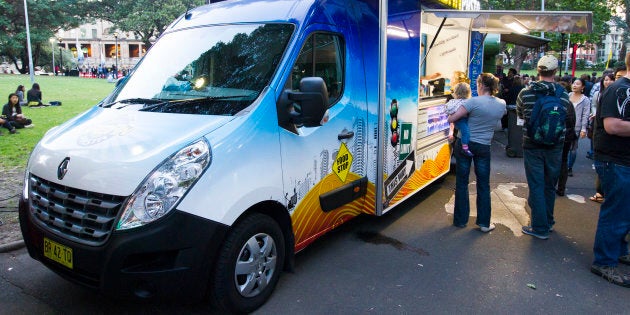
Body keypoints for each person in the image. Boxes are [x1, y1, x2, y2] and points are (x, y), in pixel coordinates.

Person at [516, 55, 574, 240]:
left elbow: (520, 115)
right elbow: (566, 117)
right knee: (550, 185)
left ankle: (539, 227)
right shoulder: (564, 95)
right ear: (555, 72)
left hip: (532, 144)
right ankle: (548, 222)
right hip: (556, 145)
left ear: (538, 70)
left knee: (536, 185)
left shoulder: (525, 93)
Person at [590, 52, 630, 287]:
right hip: (616, 161)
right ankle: (604, 261)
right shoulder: (619, 90)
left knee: (622, 211)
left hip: (621, 160)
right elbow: (613, 125)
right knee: (617, 212)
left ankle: (617, 251)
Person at [448, 73, 506, 232]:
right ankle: (484, 223)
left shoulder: (472, 102)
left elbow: (451, 119)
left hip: (465, 144)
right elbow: (497, 124)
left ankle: (460, 221)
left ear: (480, 84)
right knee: (483, 184)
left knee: (462, 182)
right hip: (483, 146)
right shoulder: (501, 103)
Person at [588, 72, 614, 203]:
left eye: (611, 80)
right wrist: (595, 114)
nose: (608, 82)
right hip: (599, 130)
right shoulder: (599, 94)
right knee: (601, 163)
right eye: (606, 80)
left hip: (613, 139)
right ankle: (600, 192)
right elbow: (593, 105)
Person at [564, 78, 591, 178]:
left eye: (578, 84)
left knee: (573, 148)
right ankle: (563, 165)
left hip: (576, 127)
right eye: (574, 83)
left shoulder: (585, 100)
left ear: (583, 87)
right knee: (563, 147)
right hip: (565, 125)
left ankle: (569, 167)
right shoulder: (567, 96)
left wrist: (584, 128)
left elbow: (585, 114)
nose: (575, 85)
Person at [444, 82, 473, 156]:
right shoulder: (466, 102)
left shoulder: (454, 101)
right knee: (465, 132)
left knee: (464, 132)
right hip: (461, 121)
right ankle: (465, 147)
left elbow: (447, 110)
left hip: (456, 121)